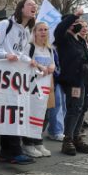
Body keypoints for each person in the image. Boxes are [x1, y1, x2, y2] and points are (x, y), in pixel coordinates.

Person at [0, 0, 37, 164]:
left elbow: (22, 53)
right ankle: (15, 151)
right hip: (3, 75)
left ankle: (6, 152)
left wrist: (30, 61)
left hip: (16, 76)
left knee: (13, 112)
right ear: (21, 8)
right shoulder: (5, 24)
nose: (33, 7)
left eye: (35, 5)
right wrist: (5, 55)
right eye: (30, 4)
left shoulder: (26, 31)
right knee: (10, 111)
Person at [54, 10, 88, 156]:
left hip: (85, 79)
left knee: (83, 107)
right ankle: (67, 139)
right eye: (75, 23)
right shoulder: (63, 38)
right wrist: (74, 16)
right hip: (73, 80)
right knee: (74, 107)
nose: (78, 25)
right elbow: (61, 27)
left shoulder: (80, 40)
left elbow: (86, 58)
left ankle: (76, 136)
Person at [21, 22, 55, 157]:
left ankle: (37, 141)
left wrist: (52, 67)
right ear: (34, 32)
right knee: (32, 114)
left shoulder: (50, 49)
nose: (43, 32)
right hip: (32, 87)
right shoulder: (30, 47)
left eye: (46, 30)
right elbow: (24, 64)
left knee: (44, 115)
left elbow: (52, 63)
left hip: (46, 87)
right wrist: (39, 67)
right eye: (40, 30)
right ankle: (27, 144)